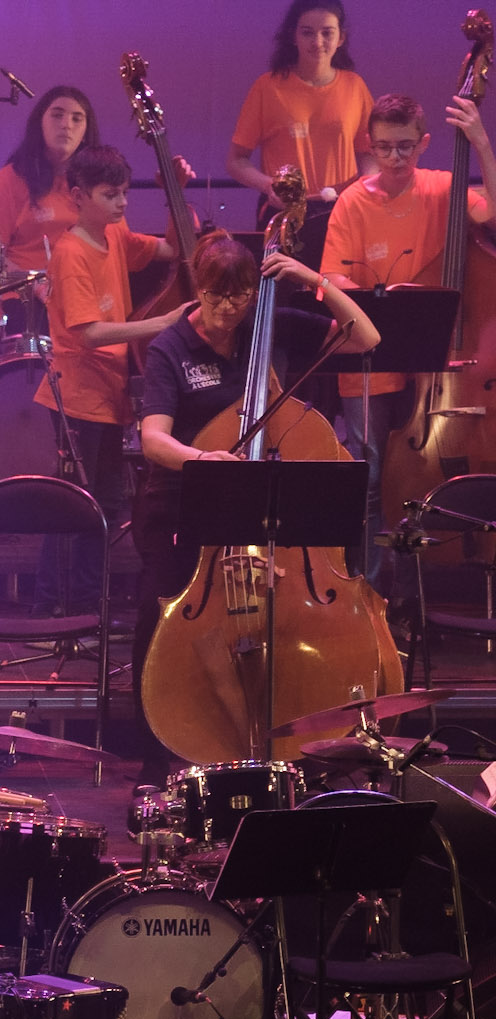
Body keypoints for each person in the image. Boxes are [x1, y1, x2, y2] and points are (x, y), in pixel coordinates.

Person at [136, 234, 379, 779]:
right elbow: (154, 437)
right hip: (184, 500)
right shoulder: (171, 347)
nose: (228, 310)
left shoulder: (267, 320)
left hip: (259, 500)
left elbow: (365, 337)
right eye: (217, 297)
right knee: (156, 616)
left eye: (240, 297)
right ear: (198, 288)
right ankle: (153, 763)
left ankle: (279, 748)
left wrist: (310, 279)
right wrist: (203, 458)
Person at [323, 94, 495, 588]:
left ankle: (429, 587)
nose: (395, 159)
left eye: (405, 148)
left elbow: (494, 212)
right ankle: (371, 593)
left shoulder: (444, 186)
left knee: (436, 477)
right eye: (384, 148)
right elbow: (330, 278)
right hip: (370, 358)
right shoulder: (354, 201)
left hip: (443, 366)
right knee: (371, 478)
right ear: (370, 146)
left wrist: (480, 139)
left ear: (423, 143)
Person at [32, 143, 190, 602]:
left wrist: (175, 195)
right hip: (78, 397)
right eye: (110, 195)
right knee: (74, 506)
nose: (122, 203)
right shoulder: (70, 251)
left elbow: (175, 247)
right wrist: (161, 323)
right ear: (79, 196)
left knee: (104, 503)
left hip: (107, 394)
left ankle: (84, 604)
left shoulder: (116, 235)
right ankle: (55, 607)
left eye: (123, 193)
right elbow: (88, 332)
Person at [228, 1, 373, 260]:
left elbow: (369, 155)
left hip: (340, 210)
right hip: (282, 212)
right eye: (307, 32)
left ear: (341, 37)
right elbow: (236, 161)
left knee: (335, 292)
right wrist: (268, 185)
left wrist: (364, 191)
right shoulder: (268, 87)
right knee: (283, 296)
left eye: (327, 32)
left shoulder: (355, 86)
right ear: (293, 36)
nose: (317, 42)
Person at [0, 85, 99, 278]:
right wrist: (35, 284)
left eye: (76, 119)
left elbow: (120, 243)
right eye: (57, 115)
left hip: (85, 290)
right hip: (26, 296)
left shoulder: (96, 180)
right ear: (40, 124)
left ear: (86, 132)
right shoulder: (10, 179)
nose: (67, 125)